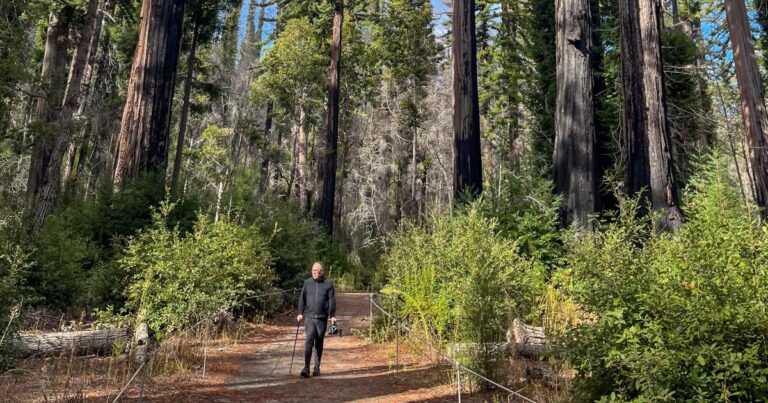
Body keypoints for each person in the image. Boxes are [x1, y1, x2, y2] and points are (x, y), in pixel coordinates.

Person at [296, 262, 336, 378]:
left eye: (316, 271)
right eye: (313, 270)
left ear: (321, 272)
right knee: (308, 342)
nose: (314, 273)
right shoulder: (307, 283)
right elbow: (302, 298)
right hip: (309, 317)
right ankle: (306, 368)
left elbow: (331, 300)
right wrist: (300, 312)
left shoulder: (328, 284)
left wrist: (332, 315)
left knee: (319, 343)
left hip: (321, 318)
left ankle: (316, 367)